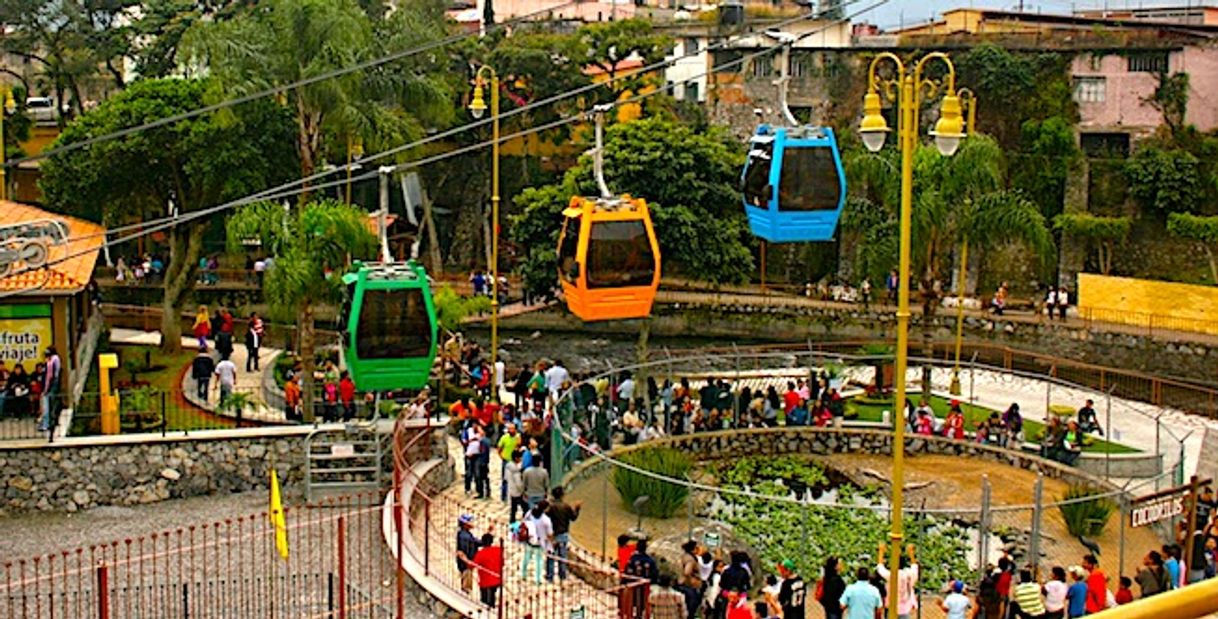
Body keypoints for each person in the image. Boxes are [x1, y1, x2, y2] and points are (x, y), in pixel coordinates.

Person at [545, 486, 581, 582]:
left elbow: (545, 518)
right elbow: (573, 518)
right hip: (563, 534)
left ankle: (550, 576)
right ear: (562, 495)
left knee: (551, 556)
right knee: (562, 557)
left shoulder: (551, 507)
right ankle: (562, 575)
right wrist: (577, 509)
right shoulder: (566, 507)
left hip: (553, 535)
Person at [876, 543, 918, 619]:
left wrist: (881, 552)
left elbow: (880, 568)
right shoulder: (908, 574)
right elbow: (915, 567)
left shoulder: (891, 575)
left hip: (891, 608)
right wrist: (911, 553)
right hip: (905, 609)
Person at [520, 501, 552, 585]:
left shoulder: (529, 513)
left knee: (526, 558)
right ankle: (537, 579)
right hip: (539, 543)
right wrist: (549, 545)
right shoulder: (546, 520)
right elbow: (549, 534)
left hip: (529, 540)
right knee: (539, 561)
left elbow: (523, 522)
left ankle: (523, 574)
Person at [472, 533, 503, 606]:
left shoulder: (480, 553)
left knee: (485, 601)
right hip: (497, 578)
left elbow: (473, 565)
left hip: (485, 581)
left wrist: (464, 559)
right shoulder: (498, 550)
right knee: (492, 597)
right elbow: (502, 563)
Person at [38, 347, 61, 432]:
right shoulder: (55, 361)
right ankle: (49, 424)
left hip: (49, 388)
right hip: (52, 388)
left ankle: (46, 424)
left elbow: (49, 377)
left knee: (46, 407)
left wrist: (45, 390)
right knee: (49, 407)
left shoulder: (50, 363)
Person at [456, 514, 481, 593]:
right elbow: (464, 550)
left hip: (466, 562)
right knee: (466, 581)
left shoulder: (464, 533)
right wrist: (468, 561)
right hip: (466, 563)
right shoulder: (465, 537)